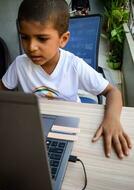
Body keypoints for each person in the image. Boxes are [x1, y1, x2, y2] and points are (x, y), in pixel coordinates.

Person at [0, 0, 132, 159]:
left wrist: (112, 119)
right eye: (25, 37)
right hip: (34, 125)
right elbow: (3, 89)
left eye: (41, 38)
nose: (31, 47)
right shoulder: (20, 64)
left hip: (70, 124)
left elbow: (113, 92)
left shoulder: (74, 65)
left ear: (63, 39)